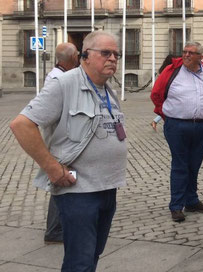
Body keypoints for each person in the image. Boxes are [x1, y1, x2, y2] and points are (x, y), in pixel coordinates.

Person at [10, 31, 127, 271]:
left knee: (92, 255)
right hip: (79, 192)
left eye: (116, 54)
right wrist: (53, 168)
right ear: (85, 56)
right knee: (80, 261)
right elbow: (21, 125)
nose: (113, 58)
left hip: (107, 188)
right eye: (106, 53)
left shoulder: (107, 88)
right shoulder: (64, 84)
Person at [150, 42, 203, 222]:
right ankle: (176, 205)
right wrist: (167, 115)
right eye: (185, 52)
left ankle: (191, 200)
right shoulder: (172, 72)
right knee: (180, 164)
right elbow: (156, 95)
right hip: (177, 126)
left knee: (194, 164)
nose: (187, 55)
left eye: (191, 53)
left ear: (200, 57)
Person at [40, 42, 80, 244]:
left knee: (67, 181)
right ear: (72, 58)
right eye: (78, 54)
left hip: (63, 138)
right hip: (61, 141)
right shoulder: (59, 79)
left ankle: (62, 226)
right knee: (62, 183)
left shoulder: (59, 76)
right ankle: (55, 230)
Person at [151, 55, 176, 131]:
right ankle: (156, 121)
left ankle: (155, 121)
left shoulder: (162, 69)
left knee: (165, 109)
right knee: (167, 110)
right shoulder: (169, 70)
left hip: (162, 93)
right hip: (167, 93)